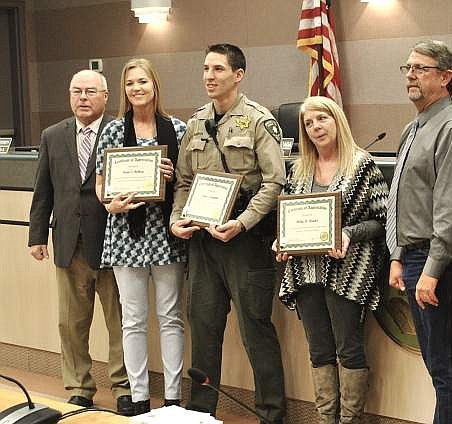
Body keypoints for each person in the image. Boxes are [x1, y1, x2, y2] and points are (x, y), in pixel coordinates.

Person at [170, 43, 286, 423]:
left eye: (218, 69)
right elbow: (184, 182)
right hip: (204, 240)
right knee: (203, 329)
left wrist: (243, 222)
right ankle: (201, 413)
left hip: (244, 241)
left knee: (256, 330)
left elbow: (274, 183)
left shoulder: (258, 120)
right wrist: (176, 219)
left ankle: (271, 414)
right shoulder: (197, 122)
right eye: (205, 68)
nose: (209, 76)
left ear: (238, 75)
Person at [276, 96, 388, 424]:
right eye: (309, 123)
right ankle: (326, 420)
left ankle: (349, 421)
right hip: (305, 270)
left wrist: (349, 233)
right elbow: (289, 218)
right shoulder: (298, 170)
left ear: (337, 119)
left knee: (348, 349)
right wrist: (281, 240)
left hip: (348, 270)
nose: (316, 127)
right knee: (319, 351)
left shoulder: (361, 164)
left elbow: (382, 220)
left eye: (322, 119)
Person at [387, 40, 452, 424]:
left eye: (421, 69)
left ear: (446, 77)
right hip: (413, 258)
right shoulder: (414, 126)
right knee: (436, 364)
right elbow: (397, 197)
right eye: (407, 68)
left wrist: (432, 269)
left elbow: (451, 208)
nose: (410, 75)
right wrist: (396, 256)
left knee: (446, 366)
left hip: (438, 262)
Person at [28, 70, 132, 415]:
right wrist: (37, 236)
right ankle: (79, 386)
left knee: (120, 321)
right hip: (69, 242)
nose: (83, 97)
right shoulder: (52, 135)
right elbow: (43, 190)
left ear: (105, 96)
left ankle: (124, 387)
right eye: (76, 91)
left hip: (114, 241)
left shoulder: (121, 130)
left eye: (90, 91)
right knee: (70, 322)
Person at [94, 58, 187, 415]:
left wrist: (172, 173)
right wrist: (110, 203)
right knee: (132, 319)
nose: (136, 88)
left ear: (154, 86)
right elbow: (102, 184)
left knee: (171, 316)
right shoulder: (114, 131)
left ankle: (175, 397)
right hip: (125, 234)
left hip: (167, 234)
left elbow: (188, 180)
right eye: (130, 83)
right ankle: (139, 396)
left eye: (142, 82)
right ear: (124, 90)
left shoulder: (176, 129)